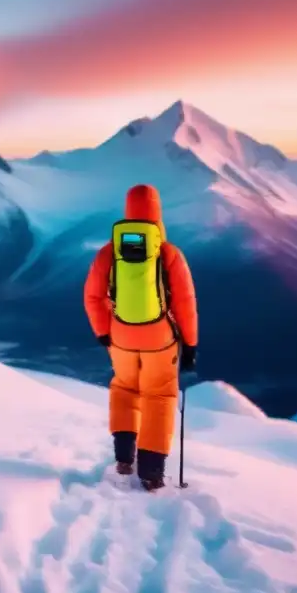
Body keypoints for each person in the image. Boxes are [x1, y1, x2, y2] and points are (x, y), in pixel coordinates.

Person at [83, 183, 198, 491]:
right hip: (160, 338)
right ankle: (151, 472)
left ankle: (124, 458)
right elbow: (184, 303)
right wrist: (190, 344)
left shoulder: (109, 252)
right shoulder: (168, 253)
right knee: (159, 396)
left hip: (120, 335)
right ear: (157, 213)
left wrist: (103, 332)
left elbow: (93, 297)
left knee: (124, 388)